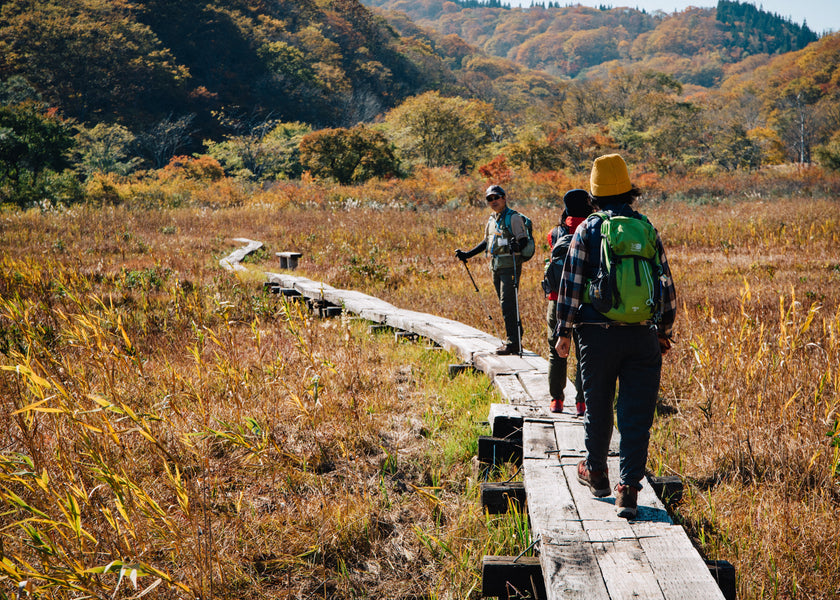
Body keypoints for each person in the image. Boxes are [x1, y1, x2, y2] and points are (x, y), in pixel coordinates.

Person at [553, 154, 676, 519]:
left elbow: (571, 284)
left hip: (596, 335)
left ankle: (597, 473)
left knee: (598, 404)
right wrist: (664, 332)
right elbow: (665, 284)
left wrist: (564, 331)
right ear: (629, 191)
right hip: (642, 335)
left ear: (594, 194)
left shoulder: (588, 229)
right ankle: (629, 489)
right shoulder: (646, 228)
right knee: (636, 414)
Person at [455, 185, 530, 355]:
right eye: (489, 199)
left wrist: (516, 245)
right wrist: (467, 254)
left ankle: (513, 343)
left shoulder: (514, 217)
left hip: (510, 266)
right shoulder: (492, 219)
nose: (493, 201)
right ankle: (515, 340)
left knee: (508, 304)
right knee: (506, 304)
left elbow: (523, 241)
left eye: (496, 197)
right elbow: (486, 243)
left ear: (504, 198)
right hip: (496, 267)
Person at [544, 189, 591, 415]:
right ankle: (582, 402)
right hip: (587, 300)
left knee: (557, 350)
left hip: (556, 300)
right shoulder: (595, 231)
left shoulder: (554, 233)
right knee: (584, 351)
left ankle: (556, 400)